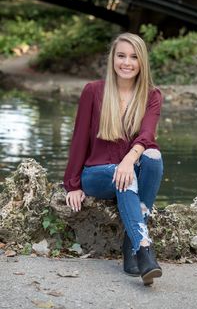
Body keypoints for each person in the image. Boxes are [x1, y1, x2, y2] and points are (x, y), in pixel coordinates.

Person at [64, 32, 163, 286]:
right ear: (113, 58)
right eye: (121, 56)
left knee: (153, 157)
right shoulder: (93, 91)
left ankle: (132, 245)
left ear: (142, 62)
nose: (126, 63)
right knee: (126, 176)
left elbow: (148, 134)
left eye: (133, 57)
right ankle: (141, 247)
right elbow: (79, 140)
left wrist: (129, 159)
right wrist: (72, 184)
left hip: (127, 170)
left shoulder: (152, 95)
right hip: (97, 174)